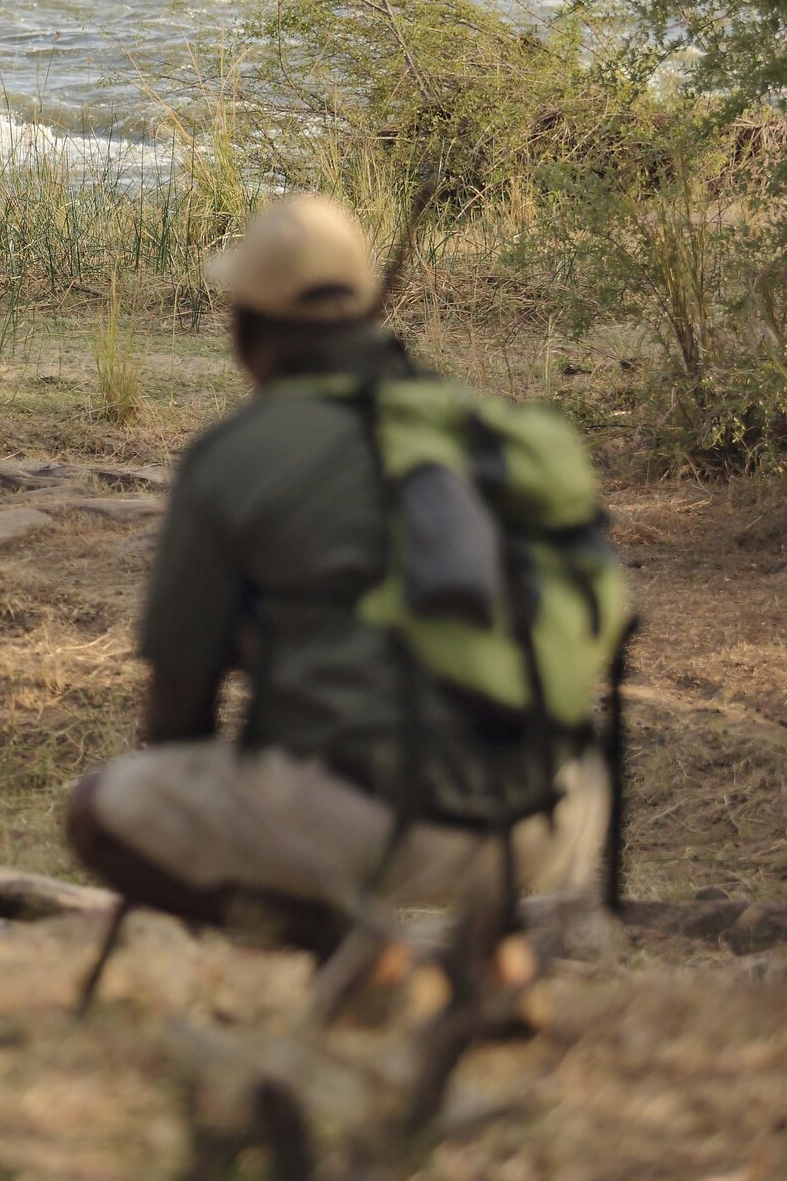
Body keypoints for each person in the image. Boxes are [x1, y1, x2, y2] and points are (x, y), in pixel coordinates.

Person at [65, 193, 609, 995]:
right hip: (558, 809)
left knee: (100, 815)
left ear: (245, 331)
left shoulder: (235, 458)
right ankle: (492, 949)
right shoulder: (491, 427)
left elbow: (176, 719)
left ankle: (354, 950)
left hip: (372, 814)